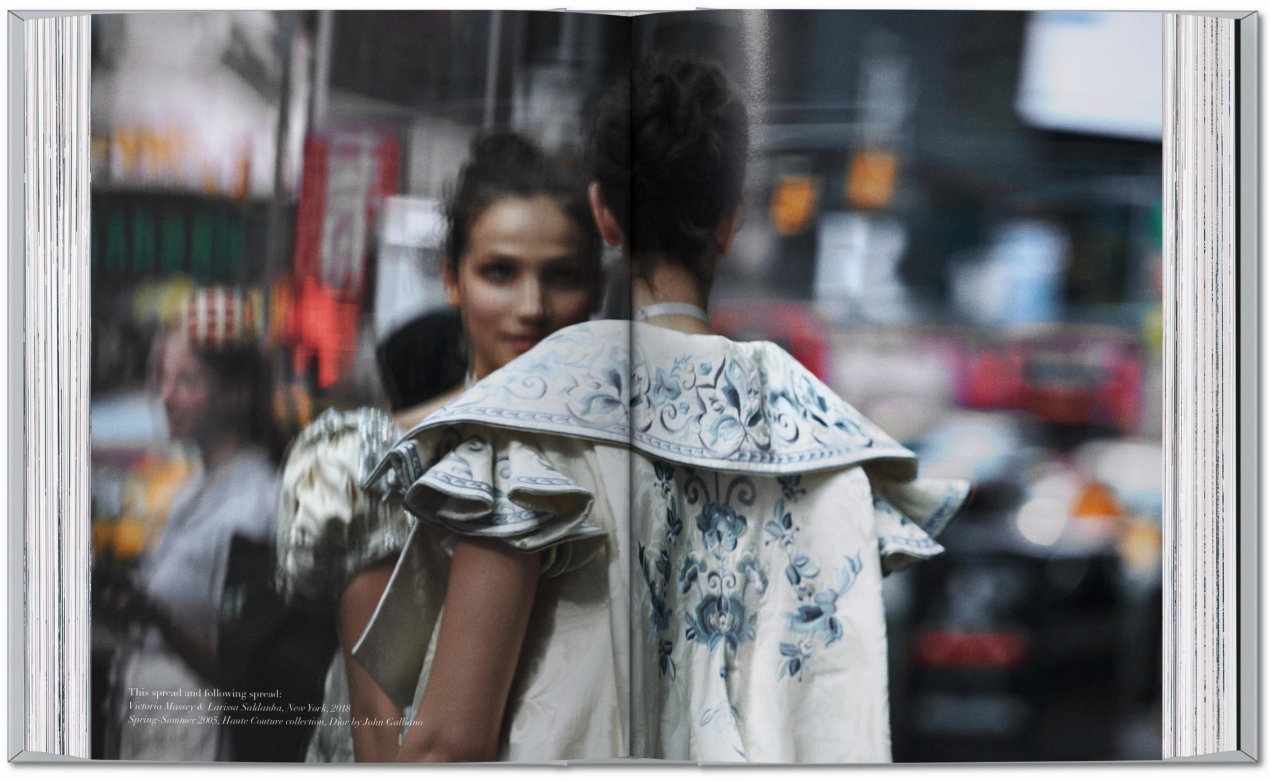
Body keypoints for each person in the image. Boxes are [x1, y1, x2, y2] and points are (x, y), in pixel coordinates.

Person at [356, 52, 971, 764]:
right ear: (730, 223)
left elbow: (448, 744)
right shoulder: (825, 441)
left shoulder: (534, 417)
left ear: (603, 217)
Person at [274, 131, 605, 763]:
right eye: (500, 272)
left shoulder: (614, 466)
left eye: (561, 276)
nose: (532, 306)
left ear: (597, 289)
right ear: (452, 279)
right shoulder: (377, 460)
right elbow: (379, 736)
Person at [103, 289, 284, 761]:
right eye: (164, 377)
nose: (166, 395)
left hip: (199, 739)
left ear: (236, 394)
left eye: (188, 380)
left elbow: (244, 665)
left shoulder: (259, 504)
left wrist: (156, 618)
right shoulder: (188, 488)